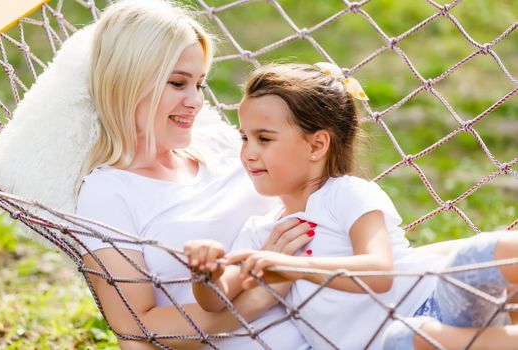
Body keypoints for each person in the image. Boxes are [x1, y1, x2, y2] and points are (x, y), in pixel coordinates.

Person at [183, 63, 518, 349]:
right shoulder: (264, 233)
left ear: (317, 145)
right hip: (392, 344)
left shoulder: (347, 195)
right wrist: (205, 272)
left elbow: (380, 272)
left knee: (473, 257)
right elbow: (216, 300)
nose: (249, 152)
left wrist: (291, 267)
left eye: (264, 138)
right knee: (407, 335)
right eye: (245, 138)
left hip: (435, 304)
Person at [75, 1, 313, 349]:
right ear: (127, 82)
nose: (196, 102)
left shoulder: (221, 144)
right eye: (177, 83)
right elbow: (136, 327)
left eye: (199, 84)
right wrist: (265, 292)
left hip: (339, 299)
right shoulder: (108, 192)